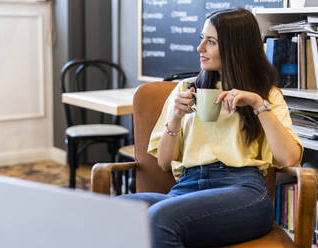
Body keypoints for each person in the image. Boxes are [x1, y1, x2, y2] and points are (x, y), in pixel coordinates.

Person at [118, 8, 303, 248]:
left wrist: (259, 105)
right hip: (186, 189)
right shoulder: (186, 89)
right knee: (116, 210)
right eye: (201, 39)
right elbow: (164, 163)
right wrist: (174, 117)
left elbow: (289, 158)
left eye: (211, 41)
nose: (200, 48)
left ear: (235, 47)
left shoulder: (266, 95)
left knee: (160, 219)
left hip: (243, 191)